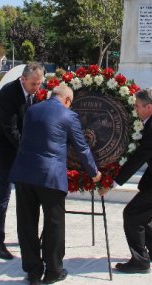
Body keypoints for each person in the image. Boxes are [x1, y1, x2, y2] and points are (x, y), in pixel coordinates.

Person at [10, 84, 101, 284]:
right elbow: (82, 148)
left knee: (26, 223)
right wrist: (94, 173)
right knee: (54, 224)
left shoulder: (32, 110)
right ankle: (53, 271)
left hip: (24, 173)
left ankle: (33, 271)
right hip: (50, 176)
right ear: (67, 100)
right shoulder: (69, 116)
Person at [99, 89, 152, 274]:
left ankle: (140, 261)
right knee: (143, 214)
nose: (135, 109)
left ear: (149, 106)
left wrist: (112, 183)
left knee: (132, 215)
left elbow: (136, 160)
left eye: (138, 106)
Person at [0, 63, 45, 260]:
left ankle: (26, 237)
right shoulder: (8, 94)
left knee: (27, 198)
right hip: (5, 152)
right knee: (2, 197)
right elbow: (10, 129)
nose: (37, 88)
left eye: (39, 83)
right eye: (33, 84)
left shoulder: (38, 91)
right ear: (23, 79)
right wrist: (30, 150)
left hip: (25, 153)